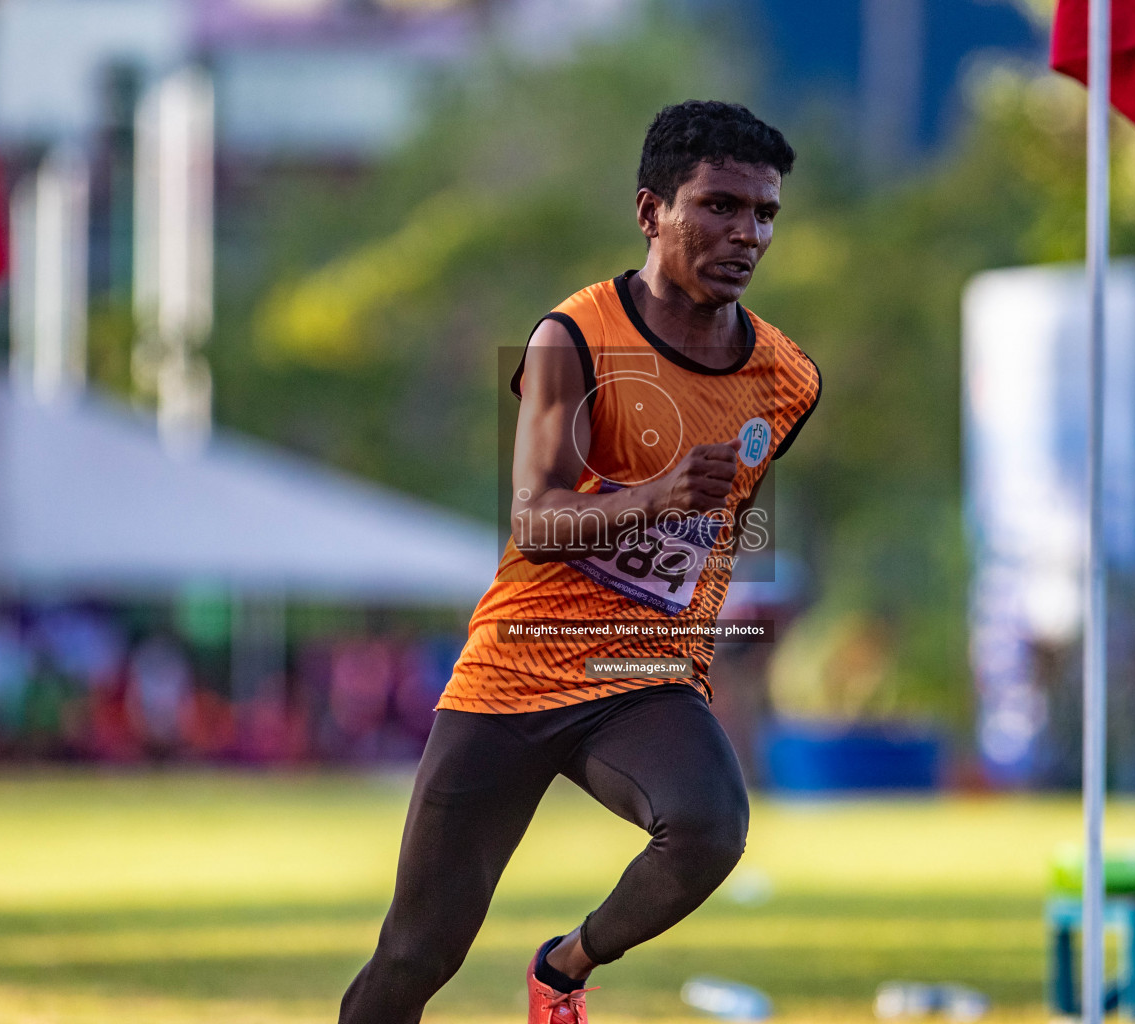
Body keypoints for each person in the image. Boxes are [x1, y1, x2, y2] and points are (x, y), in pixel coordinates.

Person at [338, 99, 820, 1024]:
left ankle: (562, 969)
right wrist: (655, 498)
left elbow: (715, 538)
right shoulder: (572, 337)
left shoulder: (788, 380)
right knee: (417, 953)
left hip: (640, 674)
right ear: (650, 212)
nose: (746, 233)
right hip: (515, 669)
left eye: (763, 214)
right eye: (719, 205)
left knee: (712, 828)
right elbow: (534, 518)